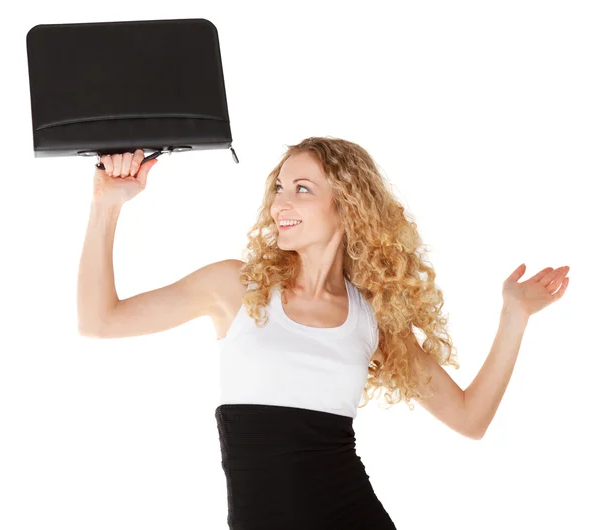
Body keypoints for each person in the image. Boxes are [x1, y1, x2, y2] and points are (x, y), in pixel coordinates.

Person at [77, 137, 569, 529]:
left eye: (302, 189)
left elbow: (469, 418)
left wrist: (515, 315)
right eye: (279, 188)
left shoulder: (370, 317)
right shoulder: (236, 286)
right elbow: (100, 320)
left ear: (348, 205)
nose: (280, 204)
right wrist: (107, 205)